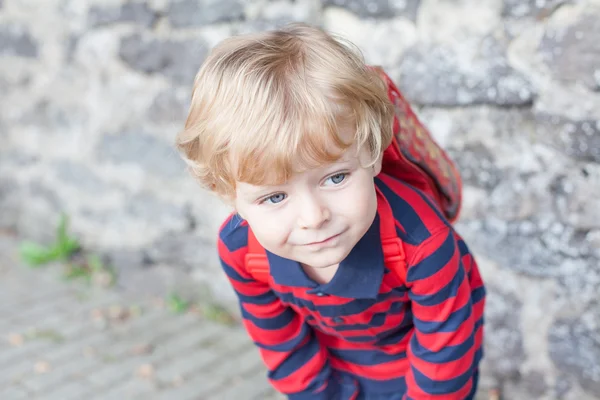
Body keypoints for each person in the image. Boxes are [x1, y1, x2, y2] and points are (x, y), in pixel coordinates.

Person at [176, 23, 485, 400]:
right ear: (228, 193)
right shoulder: (241, 249)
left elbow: (444, 353)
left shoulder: (421, 242)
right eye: (275, 197)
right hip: (334, 376)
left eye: (336, 177)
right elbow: (281, 342)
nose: (313, 217)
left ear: (371, 154)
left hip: (424, 373)